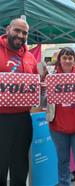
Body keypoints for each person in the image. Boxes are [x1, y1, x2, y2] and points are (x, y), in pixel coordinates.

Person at [45, 47, 75, 186]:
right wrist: (43, 91)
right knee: (63, 160)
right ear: (59, 59)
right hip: (58, 127)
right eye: (64, 57)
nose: (67, 60)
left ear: (74, 60)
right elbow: (43, 102)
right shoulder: (50, 75)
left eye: (70, 58)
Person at [0, 18, 38, 185]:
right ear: (8, 29)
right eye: (17, 30)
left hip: (23, 118)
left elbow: (36, 81)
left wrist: (41, 86)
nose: (20, 35)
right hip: (1, 118)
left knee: (20, 166)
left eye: (25, 33)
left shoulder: (30, 57)